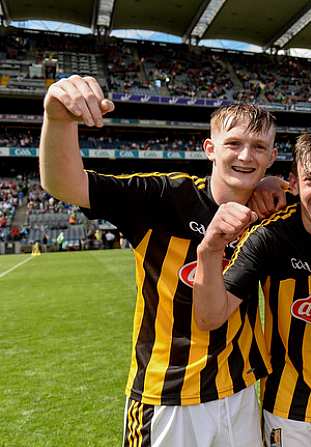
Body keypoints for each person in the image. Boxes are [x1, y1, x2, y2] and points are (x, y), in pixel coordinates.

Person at [38, 75, 288, 446]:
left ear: (271, 156)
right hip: (168, 397)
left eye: (258, 147)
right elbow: (64, 183)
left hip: (240, 391)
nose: (245, 155)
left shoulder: (272, 209)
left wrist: (276, 184)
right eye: (233, 143)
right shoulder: (165, 196)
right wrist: (57, 120)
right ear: (210, 149)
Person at [193, 133, 311, 447]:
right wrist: (207, 252)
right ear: (293, 182)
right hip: (287, 404)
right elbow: (210, 316)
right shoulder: (269, 237)